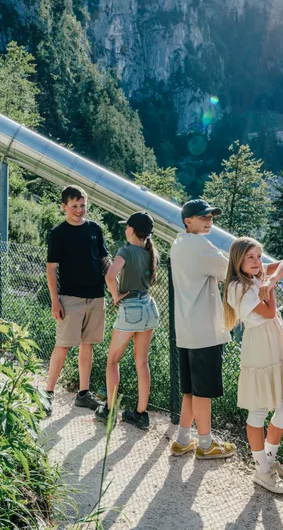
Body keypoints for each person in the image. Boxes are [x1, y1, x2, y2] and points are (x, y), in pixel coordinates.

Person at [223, 237, 283, 494]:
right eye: (251, 257)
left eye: (259, 256)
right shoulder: (237, 286)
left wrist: (272, 278)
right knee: (258, 412)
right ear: (238, 261)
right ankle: (262, 471)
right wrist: (270, 288)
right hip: (259, 346)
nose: (257, 262)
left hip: (275, 343)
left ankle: (268, 461)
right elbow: (269, 312)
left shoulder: (258, 274)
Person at [169, 199, 236, 460]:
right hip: (204, 329)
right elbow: (230, 268)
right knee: (203, 391)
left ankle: (183, 439)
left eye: (210, 216)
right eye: (202, 216)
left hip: (186, 329)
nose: (209, 220)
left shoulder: (179, 244)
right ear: (188, 221)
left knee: (190, 389)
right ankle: (206, 444)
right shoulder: (199, 245)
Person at [44, 185, 110, 413]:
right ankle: (48, 394)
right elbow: (51, 269)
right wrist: (55, 301)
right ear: (64, 207)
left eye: (82, 205)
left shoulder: (95, 229)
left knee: (87, 345)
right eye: (74, 206)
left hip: (96, 297)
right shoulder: (58, 233)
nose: (80, 210)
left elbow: (104, 261)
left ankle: (83, 394)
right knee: (62, 346)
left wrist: (117, 287)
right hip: (69, 299)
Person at [95, 211, 160, 430]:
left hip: (130, 309)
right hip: (149, 307)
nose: (125, 230)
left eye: (127, 227)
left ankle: (110, 410)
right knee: (142, 361)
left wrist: (115, 296)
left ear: (131, 230)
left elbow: (109, 276)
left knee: (113, 360)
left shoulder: (126, 251)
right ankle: (141, 414)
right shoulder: (150, 253)